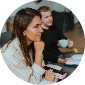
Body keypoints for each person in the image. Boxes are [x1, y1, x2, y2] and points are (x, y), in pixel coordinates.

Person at [0, 8, 57, 85]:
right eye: (36, 26)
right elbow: (32, 81)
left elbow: (41, 66)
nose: (41, 30)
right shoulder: (11, 55)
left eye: (40, 25)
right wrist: (38, 53)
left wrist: (47, 75)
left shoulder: (32, 43)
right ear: (23, 30)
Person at [38, 6, 77, 79]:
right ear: (40, 20)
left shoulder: (54, 28)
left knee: (77, 56)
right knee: (73, 70)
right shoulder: (39, 33)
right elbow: (45, 54)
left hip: (61, 55)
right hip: (51, 61)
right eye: (46, 17)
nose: (50, 18)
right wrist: (62, 61)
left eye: (50, 16)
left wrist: (68, 43)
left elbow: (64, 39)